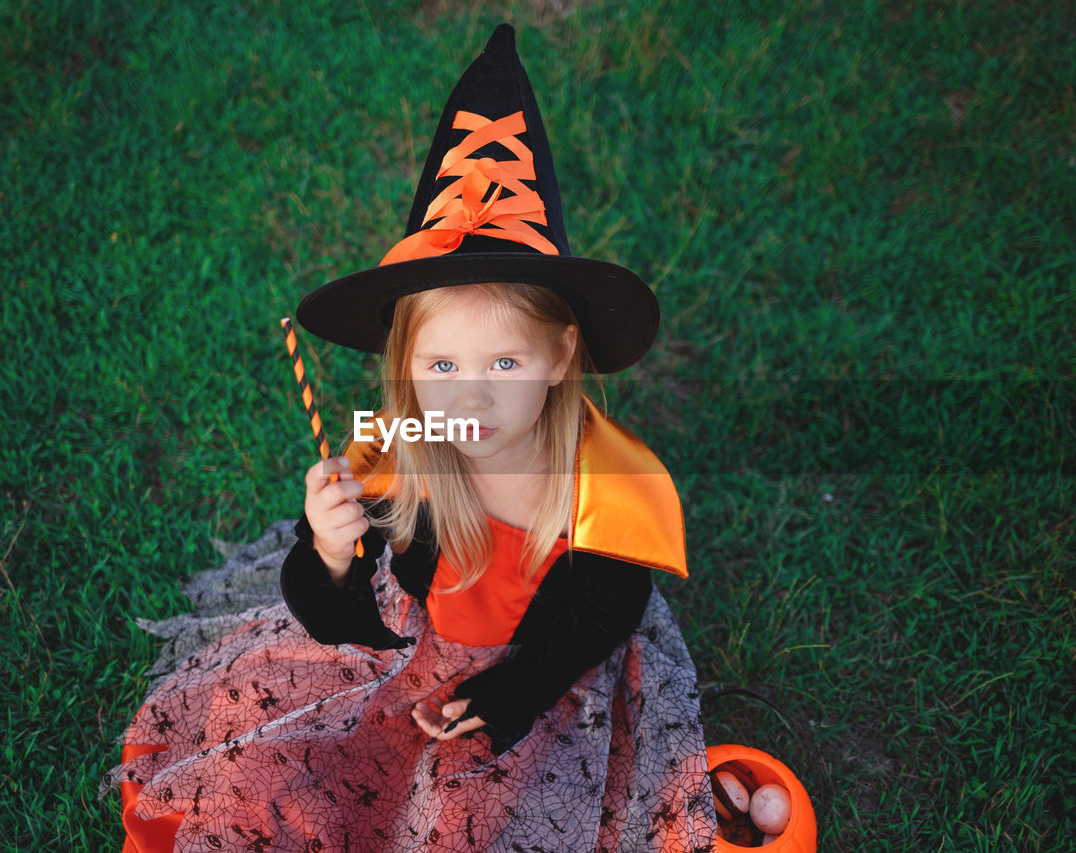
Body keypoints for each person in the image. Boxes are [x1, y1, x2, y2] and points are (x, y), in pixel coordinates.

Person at [106, 23, 718, 852]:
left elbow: (601, 610)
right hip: (414, 638)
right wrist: (327, 552)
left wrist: (512, 693)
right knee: (289, 765)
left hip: (540, 671)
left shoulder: (606, 488)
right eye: (441, 363)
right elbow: (331, 614)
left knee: (492, 818)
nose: (469, 392)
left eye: (504, 359)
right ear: (404, 363)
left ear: (560, 354)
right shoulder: (398, 458)